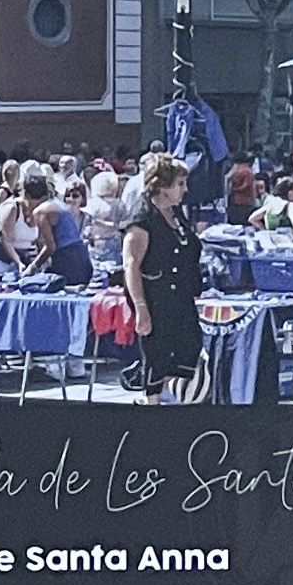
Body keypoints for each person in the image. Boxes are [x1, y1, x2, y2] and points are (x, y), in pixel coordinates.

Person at [118, 154, 205, 401]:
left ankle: (155, 391)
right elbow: (131, 265)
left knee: (190, 348)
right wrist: (141, 308)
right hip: (156, 298)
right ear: (162, 186)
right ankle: (150, 402)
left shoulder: (176, 213)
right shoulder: (142, 219)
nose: (184, 189)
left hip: (181, 296)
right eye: (179, 184)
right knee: (158, 355)